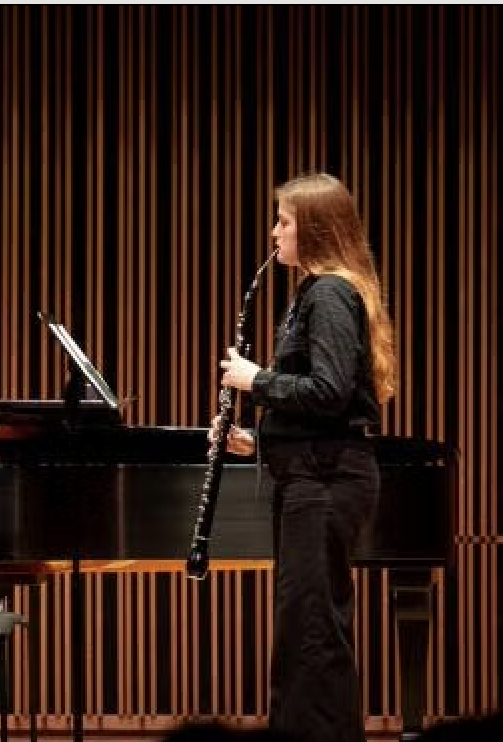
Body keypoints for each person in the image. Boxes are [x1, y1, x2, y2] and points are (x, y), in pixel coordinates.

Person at [213, 173, 396, 742]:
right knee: (306, 632)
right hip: (313, 474)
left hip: (325, 480)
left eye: (284, 222)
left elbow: (330, 391)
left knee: (312, 635)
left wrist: (256, 380)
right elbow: (323, 406)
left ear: (313, 228)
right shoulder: (315, 293)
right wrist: (259, 440)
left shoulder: (330, 294)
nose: (274, 233)